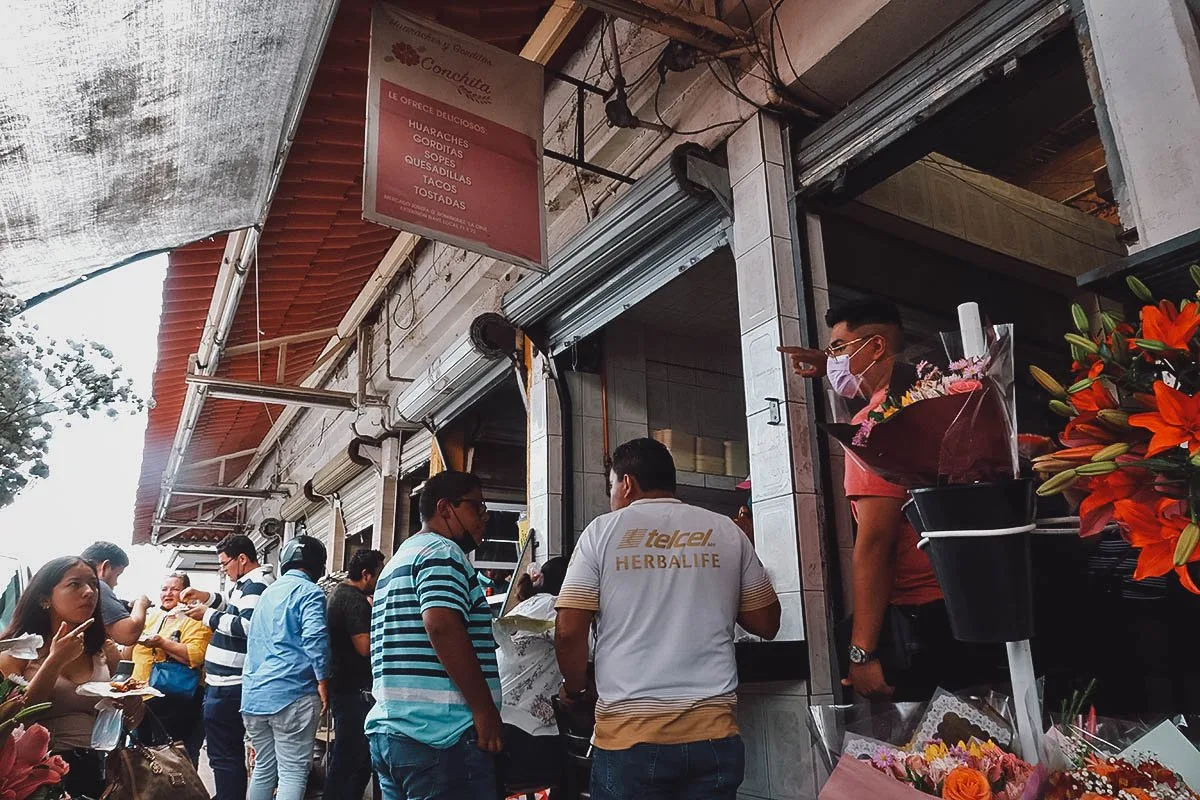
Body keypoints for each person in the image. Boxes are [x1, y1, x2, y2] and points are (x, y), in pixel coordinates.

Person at [779, 298, 991, 701]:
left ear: (875, 347)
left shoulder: (874, 426)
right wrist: (831, 361)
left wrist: (862, 653)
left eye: (839, 348)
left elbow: (877, 542)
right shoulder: (938, 401)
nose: (835, 361)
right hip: (971, 604)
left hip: (922, 623)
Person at [555, 438, 781, 800]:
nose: (611, 496)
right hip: (714, 738)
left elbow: (568, 630)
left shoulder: (601, 532)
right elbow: (767, 623)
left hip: (630, 741)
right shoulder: (726, 531)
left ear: (626, 483)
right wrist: (711, 587)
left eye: (611, 485)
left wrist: (576, 688)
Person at [366, 470, 501, 800]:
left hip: (394, 734)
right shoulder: (442, 552)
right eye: (477, 506)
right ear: (445, 508)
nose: (484, 516)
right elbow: (441, 625)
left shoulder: (400, 559)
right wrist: (484, 710)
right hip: (440, 737)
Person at [0, 557, 141, 800]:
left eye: (93, 585)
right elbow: (14, 719)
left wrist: (130, 704)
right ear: (45, 598)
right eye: (75, 584)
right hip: (36, 776)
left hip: (99, 768)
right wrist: (55, 661)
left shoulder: (103, 649)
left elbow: (133, 718)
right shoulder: (16, 653)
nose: (89, 592)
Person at [181, 533, 275, 800]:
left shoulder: (256, 584)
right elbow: (233, 605)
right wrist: (207, 597)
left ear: (242, 559)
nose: (223, 569)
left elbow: (247, 625)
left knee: (224, 755)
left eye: (225, 564)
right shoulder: (247, 583)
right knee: (225, 754)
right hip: (225, 683)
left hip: (230, 684)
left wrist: (206, 615)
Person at [241, 535, 330, 800]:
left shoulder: (267, 593)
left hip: (254, 697)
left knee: (264, 769)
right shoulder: (310, 592)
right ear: (318, 566)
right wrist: (323, 679)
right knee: (292, 771)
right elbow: (315, 638)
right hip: (292, 694)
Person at [496, 557, 569, 792]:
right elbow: (588, 647)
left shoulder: (526, 605)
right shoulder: (554, 608)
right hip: (523, 732)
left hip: (497, 721)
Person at [129, 571, 211, 763]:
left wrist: (161, 643)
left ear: (186, 594)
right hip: (143, 698)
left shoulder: (195, 618)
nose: (168, 594)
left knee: (176, 760)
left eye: (175, 589)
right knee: (144, 760)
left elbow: (196, 655)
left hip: (176, 701)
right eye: (164, 589)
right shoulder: (153, 617)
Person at [324, 548, 385, 800]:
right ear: (366, 574)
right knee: (354, 761)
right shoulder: (354, 601)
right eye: (379, 574)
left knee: (347, 760)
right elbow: (365, 648)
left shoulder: (339, 593)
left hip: (343, 688)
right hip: (353, 693)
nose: (382, 580)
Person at [81, 541, 150, 647]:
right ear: (105, 567)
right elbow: (128, 635)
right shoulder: (97, 586)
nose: (116, 583)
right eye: (117, 575)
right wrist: (141, 603)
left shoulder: (70, 583)